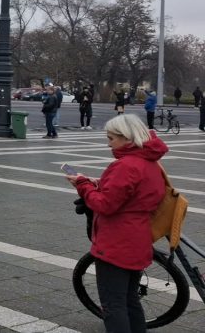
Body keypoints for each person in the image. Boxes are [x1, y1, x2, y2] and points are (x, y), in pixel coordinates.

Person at [65, 115, 166, 333]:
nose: (108, 142)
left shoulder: (125, 166)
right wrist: (97, 183)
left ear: (126, 138)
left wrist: (83, 185)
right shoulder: (150, 162)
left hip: (117, 242)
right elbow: (132, 191)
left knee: (113, 305)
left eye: (111, 138)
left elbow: (105, 205)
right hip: (138, 238)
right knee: (130, 300)